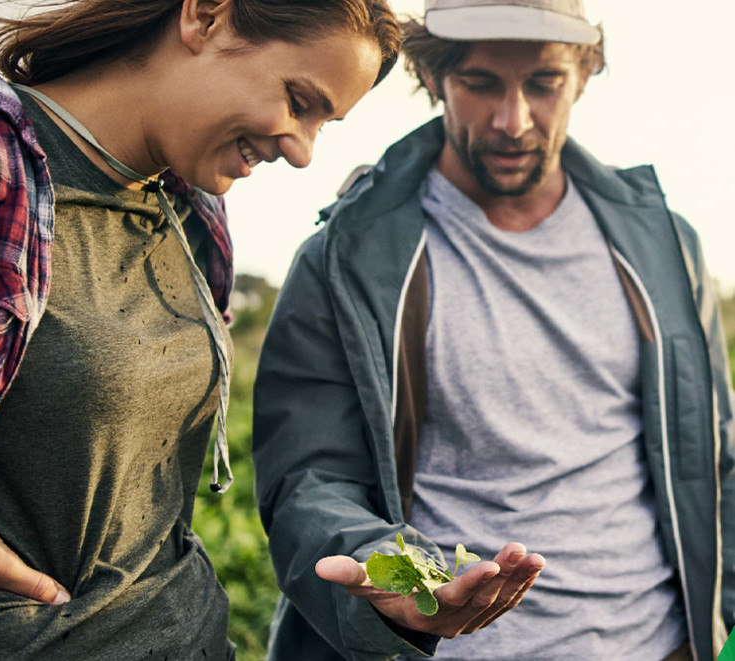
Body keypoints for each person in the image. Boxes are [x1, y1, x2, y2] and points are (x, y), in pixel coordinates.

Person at [0, 0, 401, 658]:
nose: (301, 150)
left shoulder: (193, 213)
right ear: (206, 17)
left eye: (325, 123)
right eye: (299, 100)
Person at [252, 0, 734, 659]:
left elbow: (713, 456)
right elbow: (308, 481)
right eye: (479, 83)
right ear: (433, 79)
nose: (513, 120)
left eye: (543, 82)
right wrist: (389, 576)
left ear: (584, 75)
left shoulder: (665, 245)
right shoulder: (344, 257)